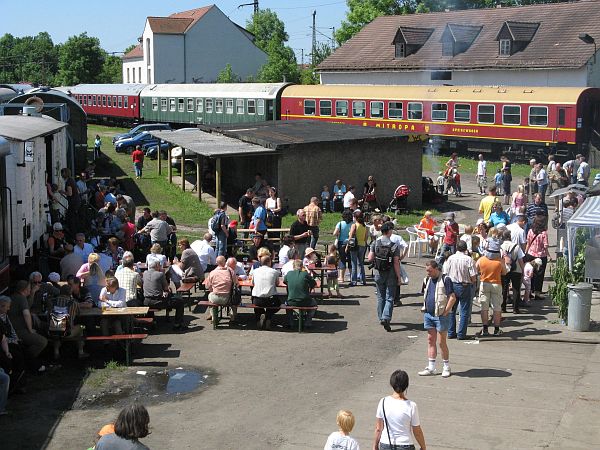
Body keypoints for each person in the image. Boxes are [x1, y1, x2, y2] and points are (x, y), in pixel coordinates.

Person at [418, 261, 456, 378]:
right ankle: (431, 367)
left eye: (430, 270)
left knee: (441, 342)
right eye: (427, 270)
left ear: (436, 269)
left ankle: (446, 366)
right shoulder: (427, 280)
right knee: (430, 340)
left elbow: (452, 297)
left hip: (440, 316)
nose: (428, 273)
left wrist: (446, 311)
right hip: (429, 314)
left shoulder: (446, 279)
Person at [373, 370, 426, 450]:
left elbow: (378, 428)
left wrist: (375, 446)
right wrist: (423, 447)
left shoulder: (383, 401)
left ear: (392, 384)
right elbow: (417, 431)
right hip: (405, 444)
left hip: (386, 444)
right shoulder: (411, 406)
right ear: (406, 385)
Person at [368, 222, 401, 332]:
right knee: (390, 297)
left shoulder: (375, 243)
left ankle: (381, 317)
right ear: (389, 231)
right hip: (390, 273)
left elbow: (370, 258)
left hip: (378, 273)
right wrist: (399, 277)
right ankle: (386, 317)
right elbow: (396, 263)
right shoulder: (394, 246)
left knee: (380, 297)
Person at [9, 281, 48, 369]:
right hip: (19, 331)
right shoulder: (21, 299)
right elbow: (26, 313)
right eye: (29, 288)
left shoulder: (14, 297)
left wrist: (33, 292)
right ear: (25, 290)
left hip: (14, 330)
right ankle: (27, 360)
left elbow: (27, 305)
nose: (30, 290)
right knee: (42, 341)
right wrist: (30, 330)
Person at [444, 241, 477, 340]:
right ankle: (461, 334)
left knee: (451, 310)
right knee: (464, 310)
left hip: (452, 284)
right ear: (466, 249)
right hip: (464, 285)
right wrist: (472, 283)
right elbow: (473, 276)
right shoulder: (469, 259)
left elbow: (445, 272)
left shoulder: (450, 258)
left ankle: (450, 332)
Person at [476, 245, 509, 336]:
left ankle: (485, 329)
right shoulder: (499, 261)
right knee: (497, 307)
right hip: (496, 284)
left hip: (484, 283)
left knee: (484, 307)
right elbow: (505, 272)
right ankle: (496, 329)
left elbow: (476, 269)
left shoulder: (481, 259)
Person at [143, 259, 186, 329]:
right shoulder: (160, 274)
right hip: (158, 301)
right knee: (180, 302)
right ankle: (177, 324)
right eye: (160, 265)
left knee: (167, 297)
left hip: (146, 301)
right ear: (157, 266)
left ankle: (151, 323)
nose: (161, 267)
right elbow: (166, 288)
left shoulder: (145, 273)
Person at [283, 260, 317, 329]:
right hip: (305, 300)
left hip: (291, 301)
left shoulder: (289, 274)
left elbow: (285, 281)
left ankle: (290, 322)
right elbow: (313, 284)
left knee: (286, 303)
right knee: (314, 303)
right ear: (302, 267)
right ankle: (307, 323)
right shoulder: (305, 274)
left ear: (293, 266)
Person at [204, 256, 238, 323]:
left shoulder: (212, 273)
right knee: (234, 296)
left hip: (216, 298)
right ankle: (232, 315)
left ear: (216, 263)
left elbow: (207, 286)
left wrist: (213, 289)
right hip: (228, 298)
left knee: (210, 295)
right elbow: (236, 283)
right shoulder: (230, 271)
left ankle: (213, 315)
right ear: (225, 262)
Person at [250, 255, 280, 330]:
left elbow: (252, 283)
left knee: (256, 304)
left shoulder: (255, 271)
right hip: (270, 299)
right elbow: (277, 284)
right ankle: (268, 318)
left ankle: (258, 319)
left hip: (257, 299)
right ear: (269, 262)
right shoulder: (274, 272)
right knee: (277, 303)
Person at [500, 229, 525, 314]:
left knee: (504, 288)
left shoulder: (500, 246)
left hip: (504, 270)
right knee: (516, 289)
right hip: (516, 269)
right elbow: (521, 259)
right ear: (510, 237)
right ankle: (515, 308)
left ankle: (503, 307)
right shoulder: (516, 246)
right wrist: (523, 270)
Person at [525, 215, 549, 300]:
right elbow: (545, 246)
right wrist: (548, 255)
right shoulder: (544, 233)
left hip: (530, 254)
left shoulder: (531, 231)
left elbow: (528, 243)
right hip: (541, 256)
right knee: (539, 275)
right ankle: (537, 293)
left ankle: (530, 291)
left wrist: (526, 252)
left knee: (530, 273)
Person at [348, 210, 368, 286]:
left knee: (354, 263)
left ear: (355, 217)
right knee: (361, 263)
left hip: (354, 245)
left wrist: (347, 246)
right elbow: (366, 237)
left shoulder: (354, 225)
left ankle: (354, 281)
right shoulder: (364, 226)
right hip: (362, 245)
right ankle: (363, 280)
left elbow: (350, 236)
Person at [334, 210, 353, 283]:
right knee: (350, 260)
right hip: (350, 243)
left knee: (342, 259)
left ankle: (341, 277)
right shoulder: (353, 224)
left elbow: (335, 233)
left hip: (341, 243)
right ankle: (352, 277)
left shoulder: (340, 224)